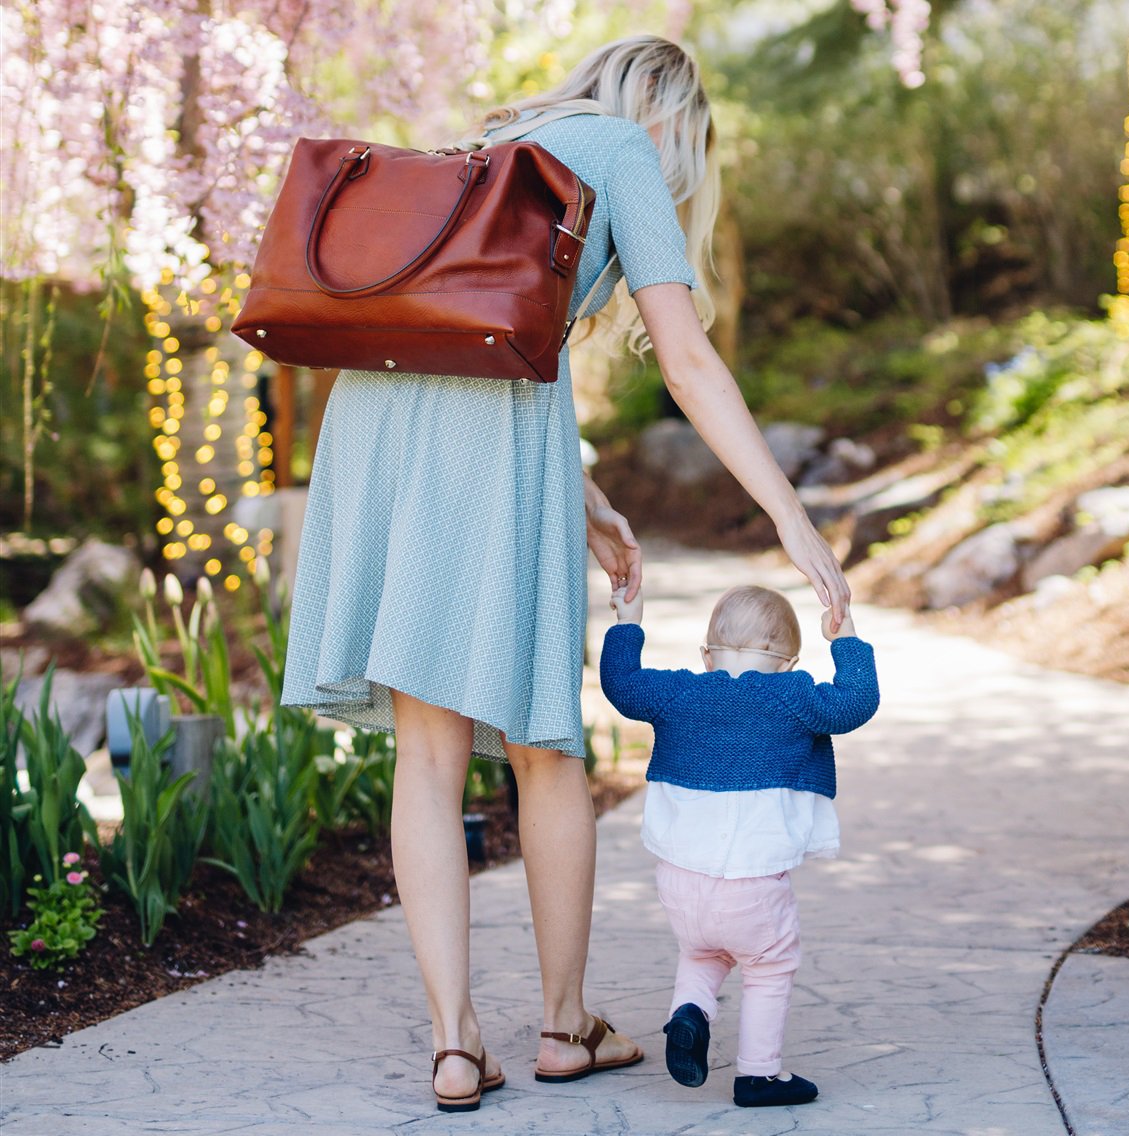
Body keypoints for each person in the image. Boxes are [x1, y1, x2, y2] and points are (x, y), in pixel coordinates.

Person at [280, 34, 852, 1113]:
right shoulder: (629, 151)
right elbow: (686, 358)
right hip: (486, 438)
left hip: (376, 425)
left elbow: (484, 338)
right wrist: (790, 514)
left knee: (428, 748)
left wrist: (583, 500)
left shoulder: (500, 139)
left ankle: (455, 1044)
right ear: (674, 115)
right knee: (543, 740)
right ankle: (561, 1022)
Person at [599, 584, 879, 1108]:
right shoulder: (794, 695)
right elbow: (857, 702)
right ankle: (758, 1075)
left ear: (707, 655)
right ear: (789, 660)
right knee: (769, 965)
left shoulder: (678, 691)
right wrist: (846, 640)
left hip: (680, 880)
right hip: (753, 883)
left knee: (701, 952)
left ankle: (690, 1013)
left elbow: (621, 685)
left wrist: (627, 622)